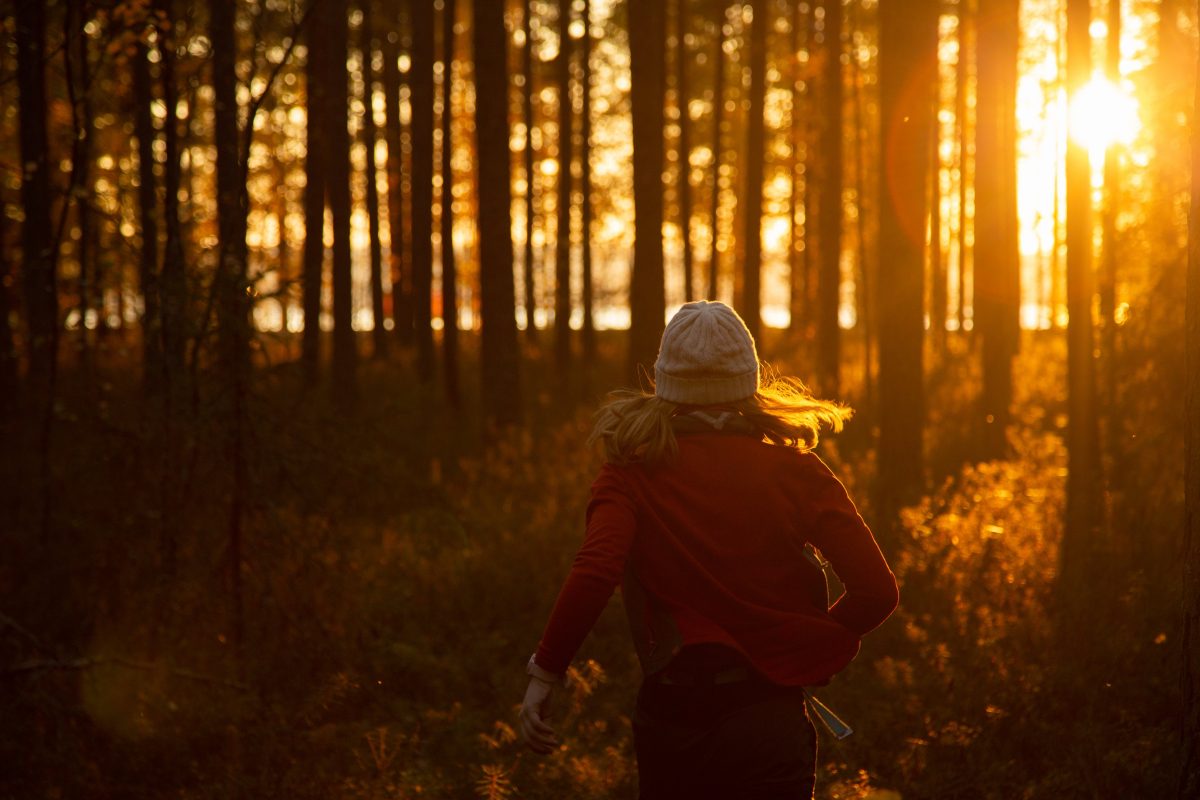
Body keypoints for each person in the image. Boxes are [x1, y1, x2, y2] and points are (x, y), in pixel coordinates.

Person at [519, 301, 899, 799]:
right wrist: (800, 646)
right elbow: (877, 591)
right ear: (748, 381)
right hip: (769, 716)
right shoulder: (797, 471)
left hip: (673, 717)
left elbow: (596, 569)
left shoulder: (628, 474)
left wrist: (546, 673)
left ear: (664, 383)